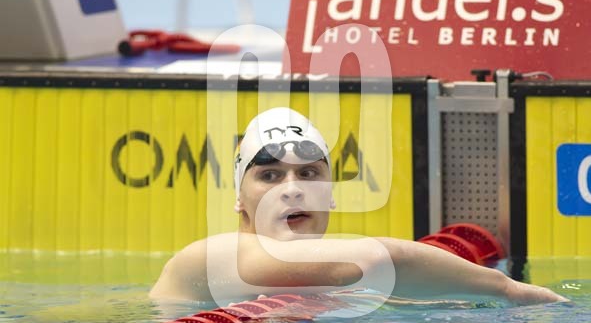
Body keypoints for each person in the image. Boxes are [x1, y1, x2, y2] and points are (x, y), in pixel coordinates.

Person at [150, 107, 565, 306]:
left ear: (331, 194)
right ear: (239, 199)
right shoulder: (208, 259)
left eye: (308, 174)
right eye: (270, 175)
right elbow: (375, 258)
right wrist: (512, 290)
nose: (291, 190)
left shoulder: (351, 296)